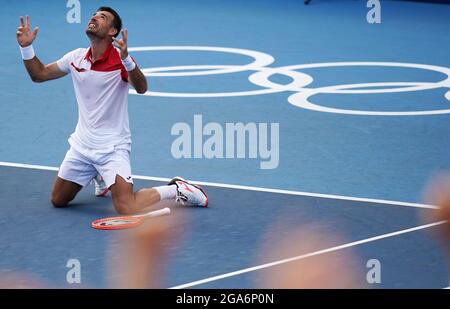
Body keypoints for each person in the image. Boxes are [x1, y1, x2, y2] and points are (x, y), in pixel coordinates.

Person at [16, 7, 208, 214]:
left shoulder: (120, 60)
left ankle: (176, 189)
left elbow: (142, 88)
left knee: (126, 207)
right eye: (94, 14)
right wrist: (27, 48)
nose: (94, 17)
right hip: (82, 146)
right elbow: (40, 74)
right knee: (58, 200)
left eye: (102, 17)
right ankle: (99, 175)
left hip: (112, 148)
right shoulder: (75, 57)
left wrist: (127, 61)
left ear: (112, 31)